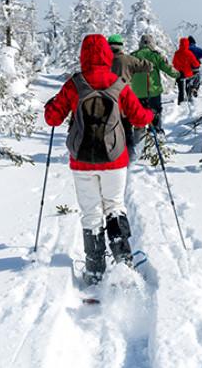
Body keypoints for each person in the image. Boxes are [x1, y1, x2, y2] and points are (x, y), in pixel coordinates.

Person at [44, 34, 154, 285]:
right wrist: (149, 113)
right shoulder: (118, 84)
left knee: (91, 214)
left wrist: (51, 105)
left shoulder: (75, 84)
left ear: (83, 55)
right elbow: (139, 118)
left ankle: (94, 271)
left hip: (82, 161)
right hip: (115, 159)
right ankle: (124, 262)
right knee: (114, 205)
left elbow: (52, 118)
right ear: (106, 55)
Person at [108, 34, 153, 152]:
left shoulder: (104, 60)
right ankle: (128, 157)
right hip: (124, 98)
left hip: (106, 100)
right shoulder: (128, 59)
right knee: (126, 129)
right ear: (121, 46)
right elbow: (148, 66)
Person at [130, 33, 178, 132]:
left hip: (137, 93)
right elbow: (168, 69)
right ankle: (155, 133)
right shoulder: (156, 55)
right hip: (153, 92)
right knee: (155, 113)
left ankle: (139, 138)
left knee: (139, 117)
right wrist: (178, 75)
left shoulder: (133, 56)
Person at [172, 37, 200, 105]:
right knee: (191, 83)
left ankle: (180, 103)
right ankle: (190, 93)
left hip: (179, 74)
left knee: (181, 91)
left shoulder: (177, 53)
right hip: (188, 74)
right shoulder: (189, 53)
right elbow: (195, 63)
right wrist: (198, 63)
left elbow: (174, 64)